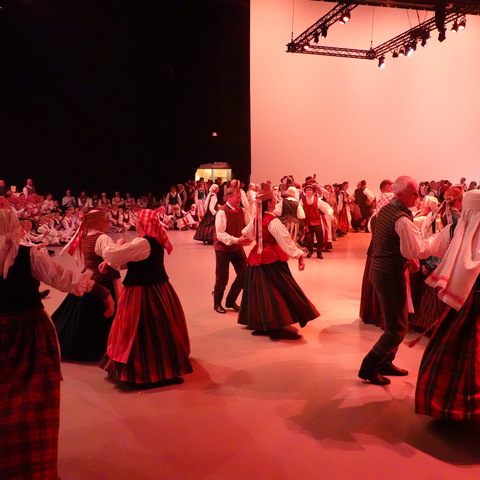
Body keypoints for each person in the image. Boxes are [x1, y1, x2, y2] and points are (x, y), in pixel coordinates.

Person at [0, 209, 113, 480]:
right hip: (29, 334)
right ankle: (33, 466)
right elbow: (64, 278)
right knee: (35, 400)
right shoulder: (28, 255)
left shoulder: (27, 254)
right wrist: (102, 291)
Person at [358, 176, 443, 385]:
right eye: (413, 193)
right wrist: (439, 240)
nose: (417, 196)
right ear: (398, 194)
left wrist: (410, 259)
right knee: (397, 328)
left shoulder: (386, 210)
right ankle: (369, 367)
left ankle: (386, 362)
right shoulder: (401, 218)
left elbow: (394, 243)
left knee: (397, 322)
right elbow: (416, 249)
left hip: (383, 270)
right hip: (389, 274)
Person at [99, 209, 192, 388]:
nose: (136, 223)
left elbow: (115, 255)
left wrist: (117, 244)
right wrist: (111, 260)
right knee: (161, 327)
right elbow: (129, 261)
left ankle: (143, 372)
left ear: (142, 223)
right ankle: (165, 367)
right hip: (158, 287)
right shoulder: (151, 241)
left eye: (137, 220)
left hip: (142, 290)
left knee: (138, 328)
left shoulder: (142, 243)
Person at [416, 189, 480, 421]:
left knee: (455, 351)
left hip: (462, 302)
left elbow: (426, 248)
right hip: (464, 301)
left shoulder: (455, 230)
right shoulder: (454, 229)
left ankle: (450, 403)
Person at [238, 187, 319, 338]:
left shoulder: (257, 219)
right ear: (269, 204)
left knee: (258, 291)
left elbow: (246, 233)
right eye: (274, 200)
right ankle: (276, 320)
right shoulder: (273, 221)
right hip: (272, 258)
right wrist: (299, 255)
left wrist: (239, 240)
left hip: (258, 257)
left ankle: (259, 321)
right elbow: (286, 241)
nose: (276, 202)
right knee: (280, 288)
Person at [52, 209, 122, 361]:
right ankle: (104, 347)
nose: (107, 223)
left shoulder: (85, 236)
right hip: (103, 280)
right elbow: (114, 258)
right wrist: (121, 248)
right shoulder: (103, 238)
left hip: (88, 277)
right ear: (94, 223)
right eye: (104, 220)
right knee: (102, 315)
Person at [212, 187, 251, 314]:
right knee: (222, 278)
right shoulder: (222, 212)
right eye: (237, 198)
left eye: (240, 198)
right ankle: (217, 303)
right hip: (223, 249)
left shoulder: (242, 211)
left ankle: (230, 300)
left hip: (237, 248)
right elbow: (220, 234)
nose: (240, 200)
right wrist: (237, 240)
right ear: (229, 197)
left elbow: (250, 225)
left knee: (245, 274)